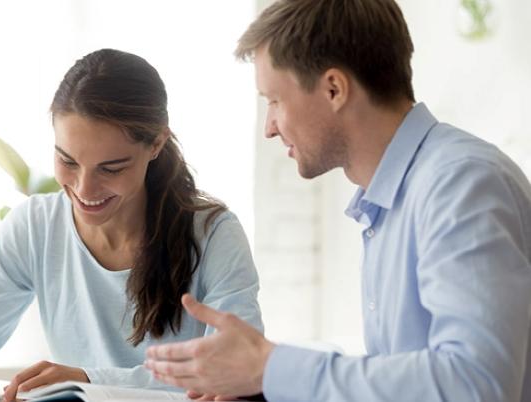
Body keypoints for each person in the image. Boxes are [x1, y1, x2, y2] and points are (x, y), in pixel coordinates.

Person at [144, 0, 531, 401]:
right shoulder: (392, 198)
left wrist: (269, 368)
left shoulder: (459, 184)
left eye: (274, 100)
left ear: (334, 88)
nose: (269, 128)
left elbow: (474, 384)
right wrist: (261, 384)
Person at [0, 48, 263, 402]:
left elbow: (239, 370)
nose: (84, 189)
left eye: (111, 168)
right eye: (67, 161)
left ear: (156, 144)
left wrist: (86, 381)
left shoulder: (214, 234)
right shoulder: (35, 227)